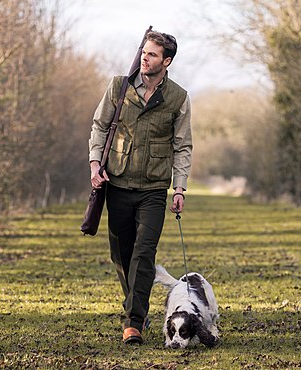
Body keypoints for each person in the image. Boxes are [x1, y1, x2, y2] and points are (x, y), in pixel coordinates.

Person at [88, 30, 192, 345]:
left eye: (152, 55)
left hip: (153, 189)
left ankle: (133, 321)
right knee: (121, 255)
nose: (145, 58)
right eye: (143, 52)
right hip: (117, 183)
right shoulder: (118, 87)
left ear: (167, 61)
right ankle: (139, 307)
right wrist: (95, 164)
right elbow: (100, 125)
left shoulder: (178, 97)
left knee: (144, 254)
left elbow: (183, 145)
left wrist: (179, 188)